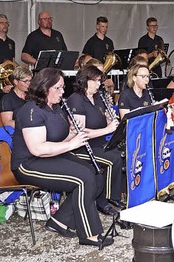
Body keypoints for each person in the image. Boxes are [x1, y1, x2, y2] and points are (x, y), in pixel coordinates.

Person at [11, 68, 114, 247]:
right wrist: (72, 144)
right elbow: (37, 149)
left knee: (95, 173)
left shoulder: (56, 107)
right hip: (28, 164)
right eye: (58, 88)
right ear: (45, 88)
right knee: (84, 179)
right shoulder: (31, 111)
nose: (62, 92)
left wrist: (73, 134)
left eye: (62, 87)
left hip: (50, 155)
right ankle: (89, 233)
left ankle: (59, 221)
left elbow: (57, 138)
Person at [67, 65, 125, 209]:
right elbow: (81, 131)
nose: (99, 84)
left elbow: (103, 122)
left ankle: (116, 194)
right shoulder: (76, 99)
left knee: (121, 154)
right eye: (96, 80)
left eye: (100, 81)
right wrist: (107, 129)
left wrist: (110, 120)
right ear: (85, 80)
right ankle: (106, 200)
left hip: (98, 142)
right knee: (113, 159)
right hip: (82, 146)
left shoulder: (98, 97)